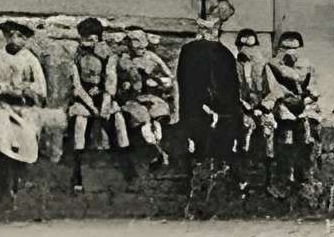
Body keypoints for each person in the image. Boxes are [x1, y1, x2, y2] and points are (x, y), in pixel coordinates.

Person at [0, 18, 49, 214]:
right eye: (11, 35)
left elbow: (41, 90)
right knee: (0, 133)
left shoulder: (30, 60)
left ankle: (19, 187)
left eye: (20, 36)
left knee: (24, 140)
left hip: (22, 109)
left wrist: (19, 91)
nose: (15, 39)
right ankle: (2, 189)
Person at [174, 13, 236, 218]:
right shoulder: (190, 52)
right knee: (198, 155)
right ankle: (195, 204)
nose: (206, 34)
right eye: (203, 29)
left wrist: (223, 110)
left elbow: (231, 87)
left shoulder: (225, 54)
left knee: (216, 157)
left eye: (210, 29)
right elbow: (184, 83)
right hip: (196, 113)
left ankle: (211, 204)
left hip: (221, 114)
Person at [62, 18, 118, 192]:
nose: (88, 43)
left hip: (103, 97)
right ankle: (77, 173)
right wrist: (92, 107)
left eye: (92, 39)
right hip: (84, 97)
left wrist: (106, 104)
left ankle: (123, 166)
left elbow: (111, 81)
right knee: (80, 121)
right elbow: (77, 86)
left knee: (119, 120)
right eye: (84, 38)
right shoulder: (75, 55)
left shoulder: (109, 55)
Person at [115, 26, 177, 174]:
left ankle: (159, 152)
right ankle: (157, 153)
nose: (141, 50)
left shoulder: (151, 57)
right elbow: (118, 84)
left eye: (143, 46)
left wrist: (160, 82)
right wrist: (125, 86)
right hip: (133, 99)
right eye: (137, 46)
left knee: (156, 116)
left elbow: (170, 77)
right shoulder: (123, 60)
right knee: (144, 119)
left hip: (152, 97)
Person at [229, 26, 279, 208]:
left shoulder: (264, 67)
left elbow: (274, 92)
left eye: (251, 45)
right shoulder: (232, 67)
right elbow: (232, 92)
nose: (247, 50)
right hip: (242, 110)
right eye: (242, 45)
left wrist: (264, 107)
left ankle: (268, 182)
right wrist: (246, 107)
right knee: (244, 137)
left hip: (263, 109)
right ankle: (242, 182)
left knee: (269, 135)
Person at [270, 30, 322, 196]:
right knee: (285, 144)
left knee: (308, 142)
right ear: (279, 48)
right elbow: (274, 88)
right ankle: (284, 179)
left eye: (295, 47)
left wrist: (308, 98)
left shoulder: (307, 66)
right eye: (286, 47)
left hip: (304, 108)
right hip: (283, 109)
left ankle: (304, 177)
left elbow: (314, 87)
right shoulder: (272, 65)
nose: (290, 51)